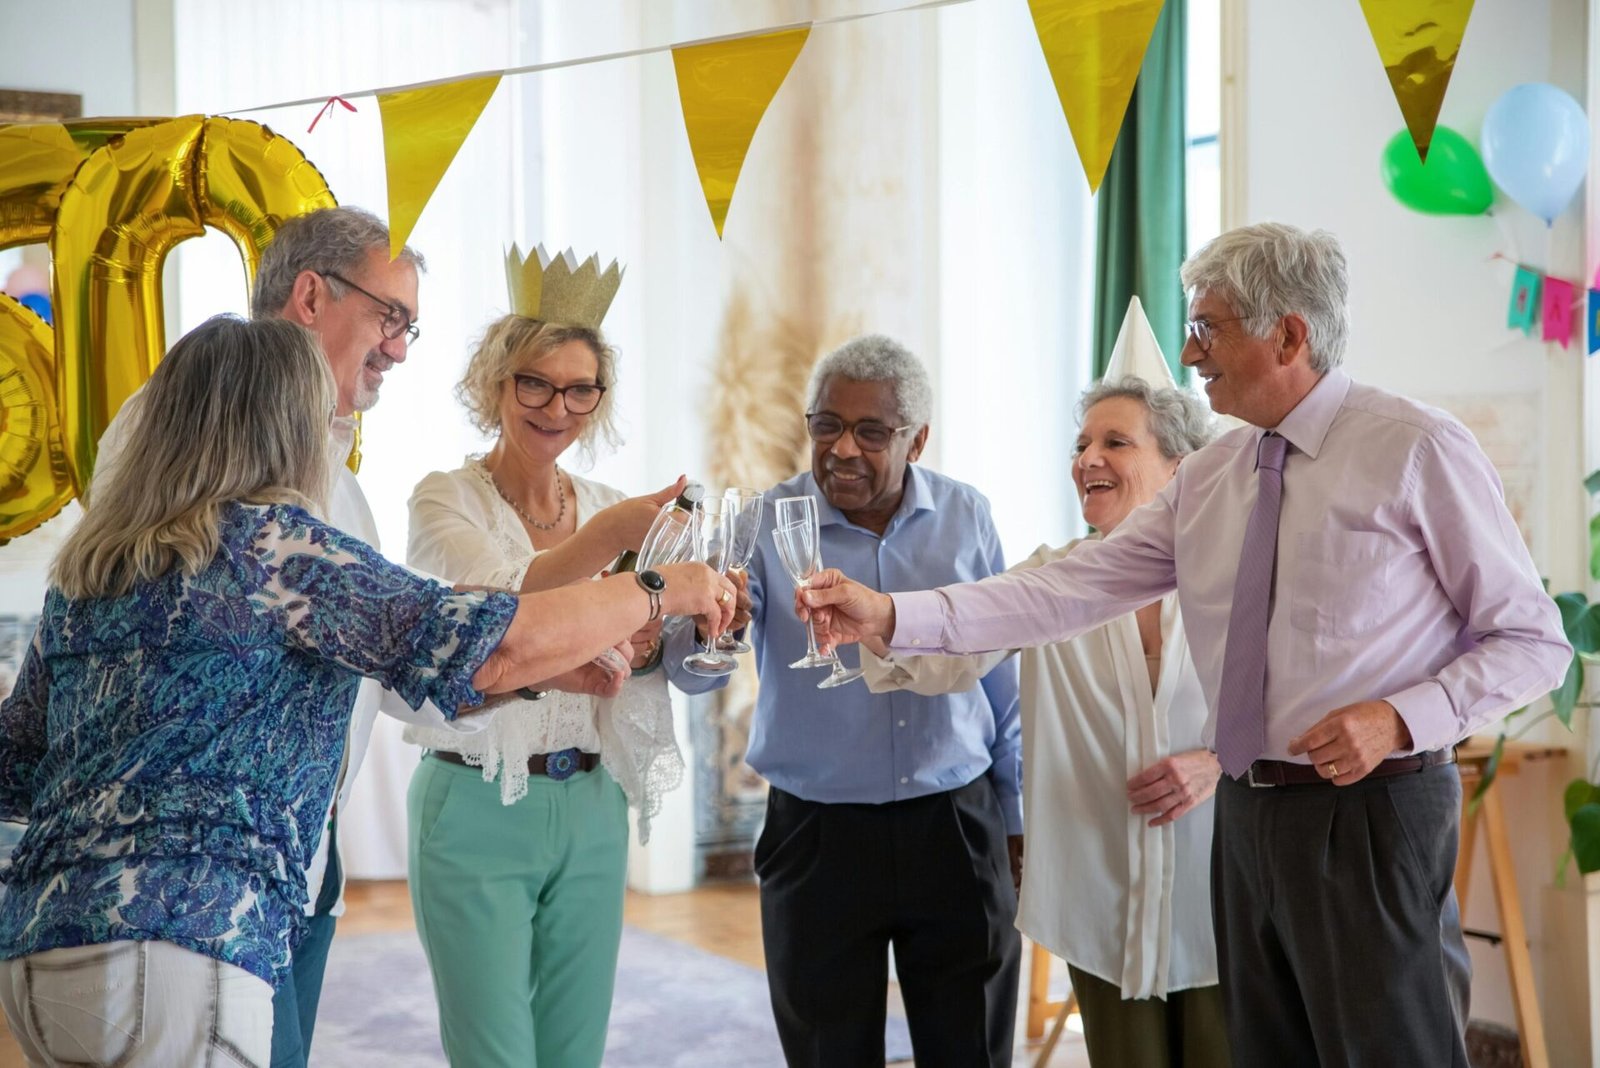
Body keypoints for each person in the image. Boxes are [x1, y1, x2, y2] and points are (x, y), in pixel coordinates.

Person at [799, 223, 1572, 1067]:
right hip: (1247, 818)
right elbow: (1062, 590)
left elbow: (1532, 641)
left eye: (1210, 327)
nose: (1191, 352)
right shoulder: (1211, 478)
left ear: (1289, 334)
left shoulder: (1414, 447)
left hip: (1372, 811)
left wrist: (1399, 717)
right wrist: (888, 616)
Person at [0, 315, 734, 1067]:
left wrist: (536, 675)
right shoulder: (277, 546)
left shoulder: (93, 567)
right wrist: (656, 589)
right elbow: (489, 641)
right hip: (183, 946)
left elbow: (17, 764)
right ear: (282, 427)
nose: (332, 436)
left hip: (40, 946)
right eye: (322, 417)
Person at [92, 206, 459, 1067]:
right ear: (309, 294)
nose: (401, 349)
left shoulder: (336, 470)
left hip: (306, 852)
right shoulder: (172, 434)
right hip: (201, 879)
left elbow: (376, 640)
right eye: (391, 317)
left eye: (410, 326)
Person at [665, 334, 1023, 1067]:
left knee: (972, 1050)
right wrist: (711, 625)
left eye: (871, 431)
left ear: (917, 439)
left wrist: (1016, 816)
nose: (843, 449)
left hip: (955, 823)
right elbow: (694, 675)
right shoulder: (761, 522)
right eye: (827, 424)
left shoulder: (967, 517)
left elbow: (1001, 680)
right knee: (828, 1053)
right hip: (818, 838)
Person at [863, 367, 1227, 1067]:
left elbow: (1291, 706)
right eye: (1082, 443)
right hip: (1101, 895)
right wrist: (874, 625)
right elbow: (956, 647)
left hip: (1219, 895)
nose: (1087, 459)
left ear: (1181, 467)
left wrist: (1216, 761)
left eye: (1116, 442)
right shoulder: (1053, 577)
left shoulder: (1234, 577)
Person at [402, 249, 686, 1066]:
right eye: (536, 382)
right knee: (495, 1054)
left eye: (579, 389)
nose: (557, 406)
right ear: (495, 381)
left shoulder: (605, 506)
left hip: (594, 807)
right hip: (475, 803)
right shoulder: (443, 497)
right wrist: (617, 549)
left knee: (574, 1052)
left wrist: (648, 637)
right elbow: (498, 611)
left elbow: (630, 647)